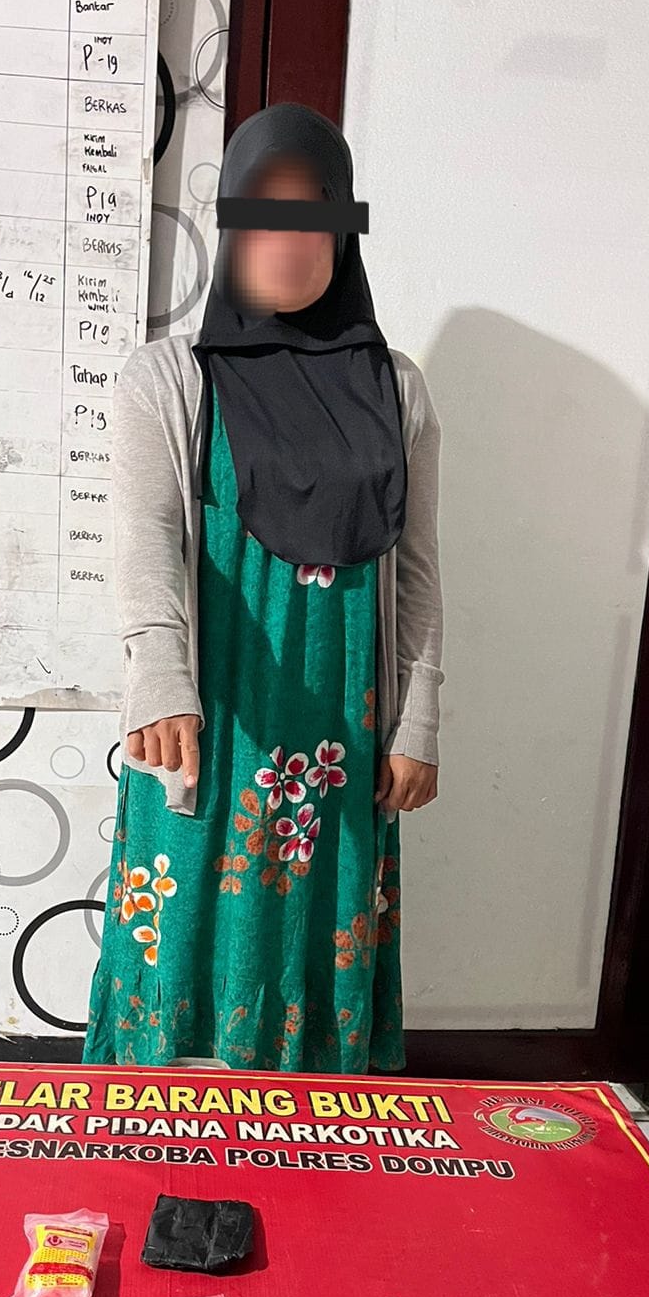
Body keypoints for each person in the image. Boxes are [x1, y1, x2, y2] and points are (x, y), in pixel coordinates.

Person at [84, 102, 443, 1072]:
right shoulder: (166, 379)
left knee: (319, 945)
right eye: (265, 214)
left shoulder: (397, 388)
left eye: (313, 216)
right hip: (210, 719)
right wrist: (158, 678)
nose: (289, 242)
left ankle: (312, 1147)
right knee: (184, 939)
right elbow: (142, 539)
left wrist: (418, 722)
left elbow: (416, 567)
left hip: (343, 732)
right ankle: (164, 1138)